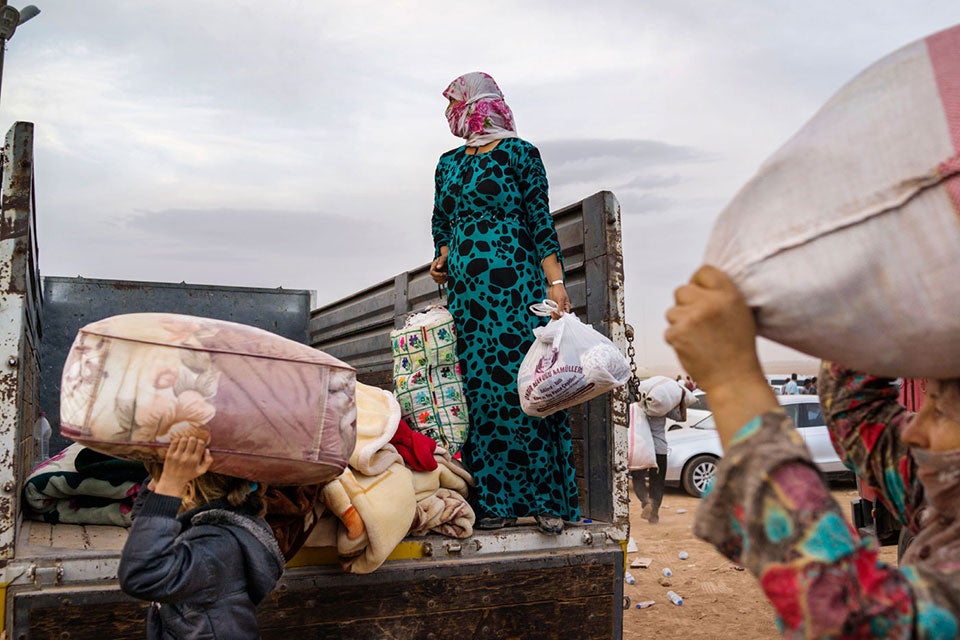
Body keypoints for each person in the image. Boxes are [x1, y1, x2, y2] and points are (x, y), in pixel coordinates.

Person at [665, 265, 960, 638]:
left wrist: (731, 382)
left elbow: (850, 618)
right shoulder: (943, 492)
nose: (914, 427)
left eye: (943, 412)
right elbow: (855, 413)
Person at [428, 71, 579, 535]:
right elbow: (442, 223)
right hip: (470, 300)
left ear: (478, 104)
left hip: (516, 288)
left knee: (529, 386)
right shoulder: (447, 163)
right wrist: (442, 258)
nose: (450, 112)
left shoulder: (520, 154)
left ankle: (546, 501)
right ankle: (494, 502)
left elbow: (539, 221)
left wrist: (556, 284)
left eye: (455, 102)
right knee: (482, 393)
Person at [118, 436, 284, 639]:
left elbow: (140, 575)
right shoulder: (215, 524)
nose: (152, 488)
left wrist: (170, 484)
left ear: (188, 489)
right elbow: (143, 520)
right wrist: (170, 469)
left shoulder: (215, 548)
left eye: (158, 482)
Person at [630, 395, 686, 524]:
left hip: (641, 448)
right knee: (658, 481)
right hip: (659, 448)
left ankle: (645, 501)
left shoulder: (639, 407)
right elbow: (682, 418)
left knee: (638, 477)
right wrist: (681, 399)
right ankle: (654, 513)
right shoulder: (664, 407)